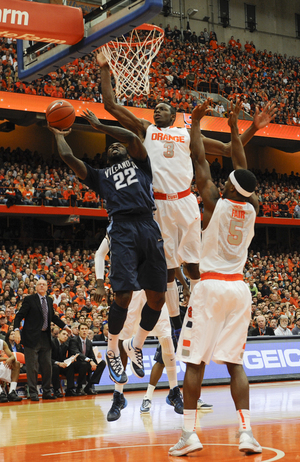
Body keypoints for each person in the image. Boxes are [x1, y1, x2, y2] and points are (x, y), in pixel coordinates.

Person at [96, 50, 276, 335]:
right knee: (166, 270)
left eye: (164, 107)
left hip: (184, 200)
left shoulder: (186, 135)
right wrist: (105, 69)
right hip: (156, 204)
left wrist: (253, 126)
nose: (158, 110)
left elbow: (231, 150)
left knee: (193, 265)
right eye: (155, 107)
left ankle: (198, 313)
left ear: (175, 115)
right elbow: (111, 105)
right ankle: (175, 323)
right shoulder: (146, 129)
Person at [169, 100, 262, 456]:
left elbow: (198, 160)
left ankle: (189, 433)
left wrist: (195, 123)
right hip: (239, 288)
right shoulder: (252, 210)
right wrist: (236, 128)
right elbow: (241, 165)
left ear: (227, 189)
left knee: (195, 362)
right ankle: (246, 432)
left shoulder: (213, 201)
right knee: (235, 363)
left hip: (210, 286)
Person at [49, 110, 167, 386]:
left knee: (157, 299)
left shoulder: (141, 163)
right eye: (109, 147)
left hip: (148, 225)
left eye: (118, 145)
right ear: (105, 159)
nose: (114, 145)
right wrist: (58, 134)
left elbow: (129, 137)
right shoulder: (100, 176)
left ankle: (136, 344)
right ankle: (113, 347)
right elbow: (69, 158)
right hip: (122, 228)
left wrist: (101, 126)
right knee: (123, 294)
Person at [94, 236, 182, 422]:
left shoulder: (153, 226)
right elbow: (100, 253)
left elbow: (172, 264)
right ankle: (118, 396)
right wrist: (99, 283)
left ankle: (174, 391)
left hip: (154, 290)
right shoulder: (118, 227)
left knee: (167, 340)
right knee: (121, 344)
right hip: (131, 292)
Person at [13, 279, 72, 401]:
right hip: (31, 338)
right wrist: (16, 330)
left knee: (47, 366)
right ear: (36, 287)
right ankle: (33, 393)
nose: (41, 286)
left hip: (45, 337)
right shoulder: (29, 299)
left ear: (46, 287)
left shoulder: (49, 300)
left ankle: (46, 392)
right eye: (39, 284)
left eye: (44, 284)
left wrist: (65, 326)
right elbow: (19, 315)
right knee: (32, 367)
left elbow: (53, 317)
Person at [69, 322, 106, 394]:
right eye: (82, 329)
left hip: (86, 363)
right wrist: (90, 360)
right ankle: (79, 387)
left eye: (86, 329)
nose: (84, 331)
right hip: (75, 364)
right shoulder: (74, 340)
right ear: (79, 331)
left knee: (102, 363)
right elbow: (77, 353)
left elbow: (91, 355)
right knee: (84, 364)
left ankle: (89, 386)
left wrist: (96, 356)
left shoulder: (89, 342)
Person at [51, 329, 79, 397]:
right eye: (63, 334)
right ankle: (56, 390)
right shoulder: (52, 342)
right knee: (55, 367)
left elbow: (62, 359)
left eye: (67, 335)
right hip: (51, 365)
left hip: (60, 365)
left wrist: (70, 359)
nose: (65, 336)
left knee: (70, 366)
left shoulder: (65, 345)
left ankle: (70, 389)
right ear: (58, 335)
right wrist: (58, 363)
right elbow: (47, 358)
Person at [0, 337, 22, 402]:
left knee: (16, 363)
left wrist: (10, 359)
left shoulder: (2, 343)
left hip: (1, 365)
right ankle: (1, 393)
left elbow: (12, 356)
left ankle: (12, 392)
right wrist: (4, 359)